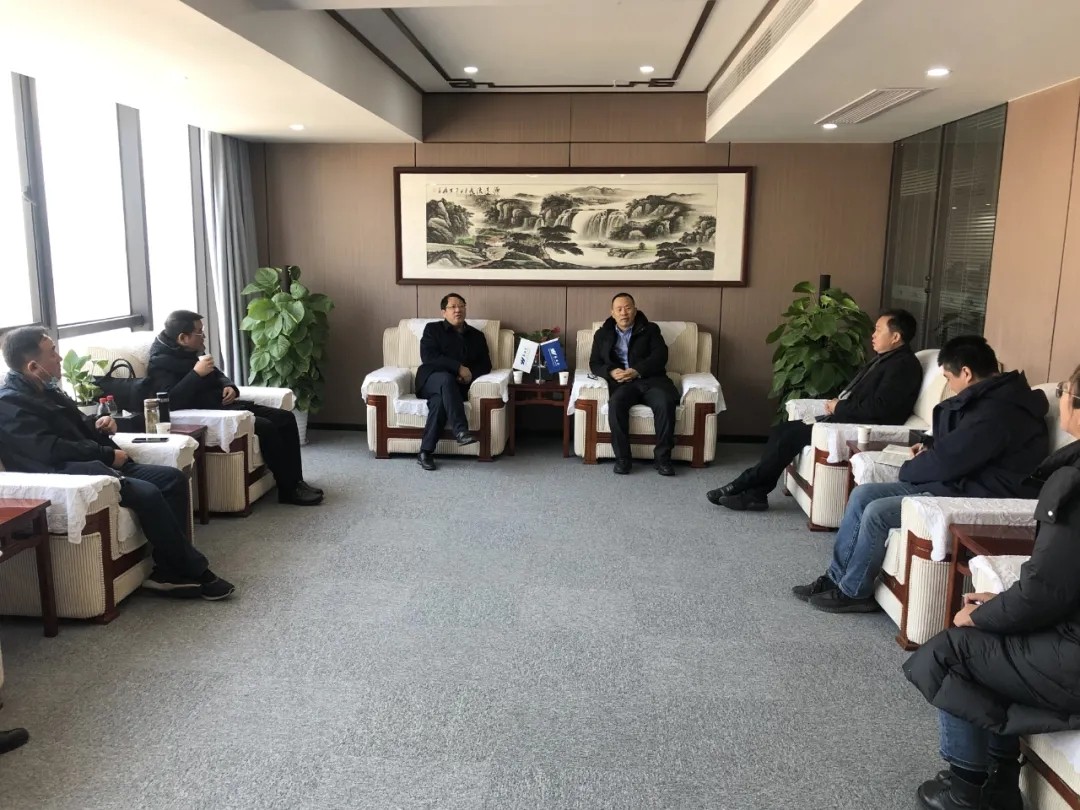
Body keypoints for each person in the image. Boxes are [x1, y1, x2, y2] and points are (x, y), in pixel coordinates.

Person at [901, 365, 1080, 810]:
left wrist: (982, 615)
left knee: (952, 651)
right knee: (994, 638)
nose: (1060, 399)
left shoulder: (1075, 486)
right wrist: (1001, 606)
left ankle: (967, 789)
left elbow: (1044, 592)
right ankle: (999, 784)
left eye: (1065, 391)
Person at [793, 335, 1049, 613]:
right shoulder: (991, 397)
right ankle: (836, 577)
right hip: (963, 478)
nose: (951, 387)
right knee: (862, 494)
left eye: (949, 379)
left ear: (966, 373)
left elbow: (952, 459)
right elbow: (960, 443)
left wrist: (909, 469)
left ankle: (854, 592)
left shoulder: (998, 410)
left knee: (878, 512)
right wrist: (929, 444)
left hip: (981, 490)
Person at [0, 327, 234, 600]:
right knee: (148, 492)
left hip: (95, 462)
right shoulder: (9, 403)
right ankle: (199, 572)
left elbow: (73, 427)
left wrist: (98, 424)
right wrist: (106, 454)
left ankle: (168, 570)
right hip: (72, 474)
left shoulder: (47, 389)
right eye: (53, 353)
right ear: (32, 366)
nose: (60, 358)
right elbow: (49, 449)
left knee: (172, 478)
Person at [708, 308, 923, 510]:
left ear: (895, 337)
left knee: (789, 437)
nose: (873, 335)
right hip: (846, 417)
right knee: (782, 430)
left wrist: (840, 407)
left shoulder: (903, 366)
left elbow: (881, 409)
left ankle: (743, 484)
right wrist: (838, 403)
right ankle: (756, 494)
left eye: (878, 330)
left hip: (858, 427)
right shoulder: (887, 360)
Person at [146, 310, 322, 506]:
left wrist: (229, 386)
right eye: (199, 332)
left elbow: (217, 374)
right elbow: (170, 400)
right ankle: (288, 490)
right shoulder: (159, 363)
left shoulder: (189, 351)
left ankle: (296, 482)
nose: (204, 336)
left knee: (285, 418)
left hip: (226, 405)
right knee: (266, 426)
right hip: (210, 414)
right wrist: (195, 375)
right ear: (183, 338)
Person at [590, 293, 680, 476]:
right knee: (616, 404)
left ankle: (663, 458)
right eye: (619, 309)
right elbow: (595, 363)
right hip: (622, 384)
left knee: (665, 402)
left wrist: (637, 370)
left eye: (628, 308)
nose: (624, 313)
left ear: (635, 310)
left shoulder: (650, 330)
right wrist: (610, 371)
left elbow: (660, 356)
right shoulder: (602, 334)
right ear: (612, 313)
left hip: (651, 380)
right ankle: (622, 459)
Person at [414, 293, 491, 472]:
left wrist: (470, 374)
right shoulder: (432, 329)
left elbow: (486, 364)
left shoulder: (477, 336)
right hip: (430, 380)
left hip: (456, 388)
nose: (458, 310)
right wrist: (458, 368)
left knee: (439, 403)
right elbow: (429, 357)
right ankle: (461, 430)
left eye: (461, 306)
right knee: (446, 379)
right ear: (444, 312)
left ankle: (425, 452)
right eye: (453, 307)